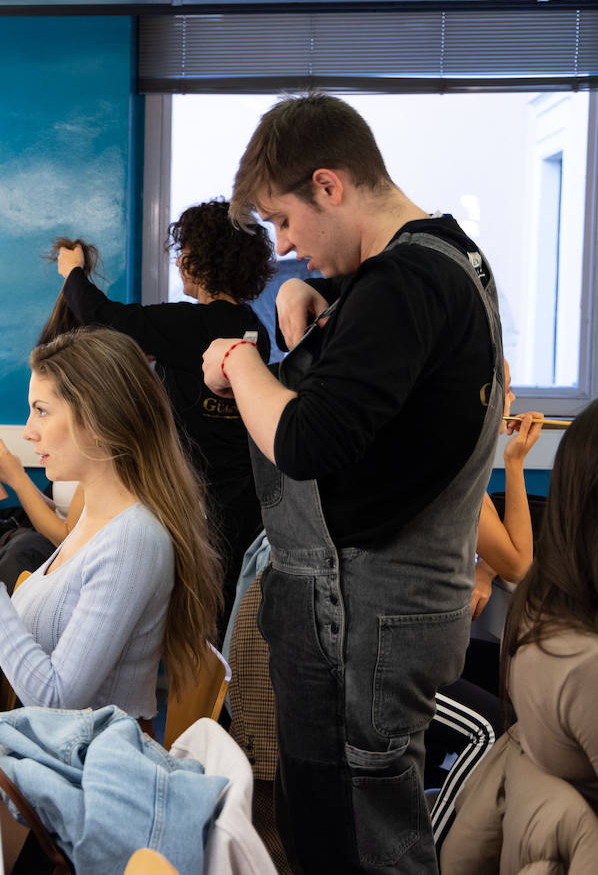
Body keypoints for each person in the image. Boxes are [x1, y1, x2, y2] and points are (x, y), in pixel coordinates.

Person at [201, 93, 502, 874]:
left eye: (284, 221)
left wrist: (239, 363)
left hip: (366, 617)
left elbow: (304, 439)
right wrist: (328, 302)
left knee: (358, 843)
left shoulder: (403, 282)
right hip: (388, 608)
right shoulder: (447, 260)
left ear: (330, 186)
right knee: (340, 825)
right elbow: (400, 371)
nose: (286, 247)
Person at [0, 327, 221, 723]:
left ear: (98, 417)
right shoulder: (94, 519)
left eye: (41, 410)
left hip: (86, 775)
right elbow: (36, 642)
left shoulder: (134, 539)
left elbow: (57, 698)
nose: (28, 430)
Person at [55, 203, 274, 625]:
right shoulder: (252, 329)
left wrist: (72, 272)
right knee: (224, 620)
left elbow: (106, 318)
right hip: (244, 503)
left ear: (203, 258)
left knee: (200, 626)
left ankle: (205, 691)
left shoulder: (193, 324)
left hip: (204, 509)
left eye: (184, 250)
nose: (178, 261)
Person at [501, 399, 598, 808]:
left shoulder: (541, 604)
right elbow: (516, 557)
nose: (512, 404)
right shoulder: (584, 667)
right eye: (503, 393)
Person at [471, 361, 545, 618]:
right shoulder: (454, 477)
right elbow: (517, 565)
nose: (512, 397)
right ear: (485, 399)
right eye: (508, 388)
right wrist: (515, 463)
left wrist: (485, 570)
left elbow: (497, 541)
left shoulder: (459, 467)